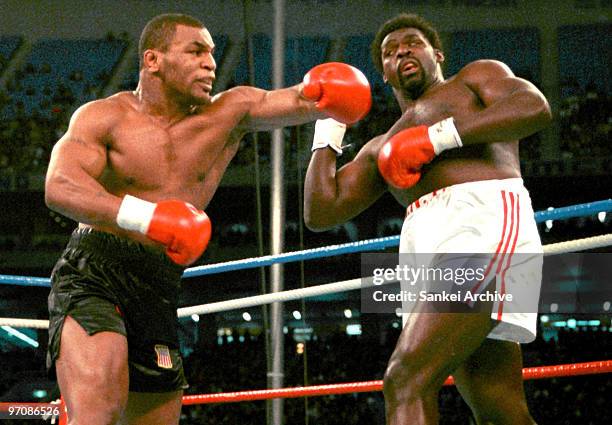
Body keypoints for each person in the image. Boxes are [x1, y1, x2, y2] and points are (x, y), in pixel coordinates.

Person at [44, 13, 371, 425]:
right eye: (196, 51)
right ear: (153, 60)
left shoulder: (229, 112)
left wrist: (331, 102)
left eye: (213, 54)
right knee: (97, 412)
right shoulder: (104, 117)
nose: (211, 63)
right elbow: (59, 185)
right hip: (94, 271)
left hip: (159, 283)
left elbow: (303, 99)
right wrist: (148, 218)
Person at [304, 13, 551, 425]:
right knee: (499, 410)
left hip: (481, 228)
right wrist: (329, 124)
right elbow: (320, 211)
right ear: (383, 74)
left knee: (405, 380)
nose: (401, 50)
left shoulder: (475, 79)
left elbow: (534, 106)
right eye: (389, 51)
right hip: (424, 250)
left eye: (412, 43)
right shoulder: (381, 146)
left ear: (437, 54)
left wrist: (437, 138)